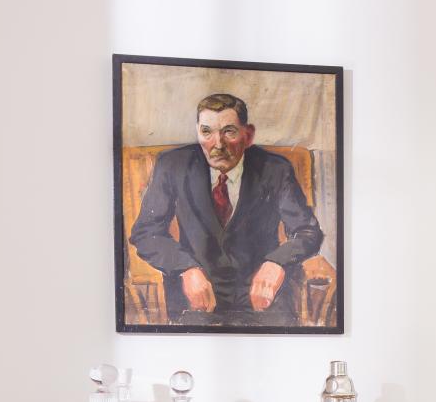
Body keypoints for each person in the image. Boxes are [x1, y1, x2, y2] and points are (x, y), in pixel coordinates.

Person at [129, 92, 323, 327]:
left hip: (264, 302)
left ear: (248, 135)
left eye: (229, 131)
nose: (217, 144)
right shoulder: (172, 165)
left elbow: (308, 232)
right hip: (194, 302)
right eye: (207, 132)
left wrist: (277, 263)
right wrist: (186, 268)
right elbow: (146, 232)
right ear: (198, 132)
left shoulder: (275, 170)